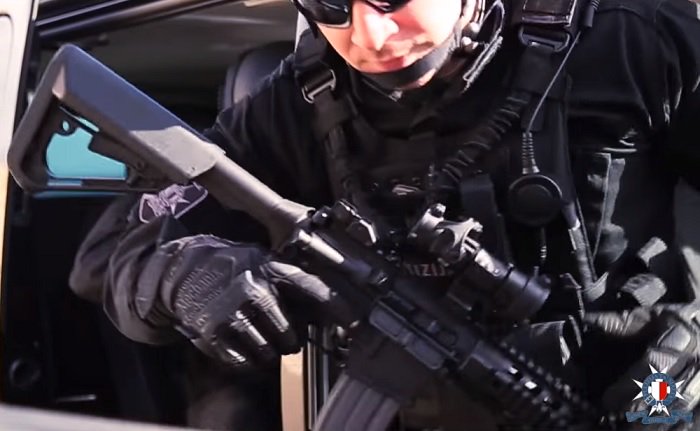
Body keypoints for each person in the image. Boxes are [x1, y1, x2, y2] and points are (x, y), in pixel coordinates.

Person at [69, 0, 700, 429]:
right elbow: (112, 255)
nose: (368, 37)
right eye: (330, 5)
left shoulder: (630, 40)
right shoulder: (297, 102)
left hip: (650, 400)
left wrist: (685, 360)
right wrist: (187, 277)